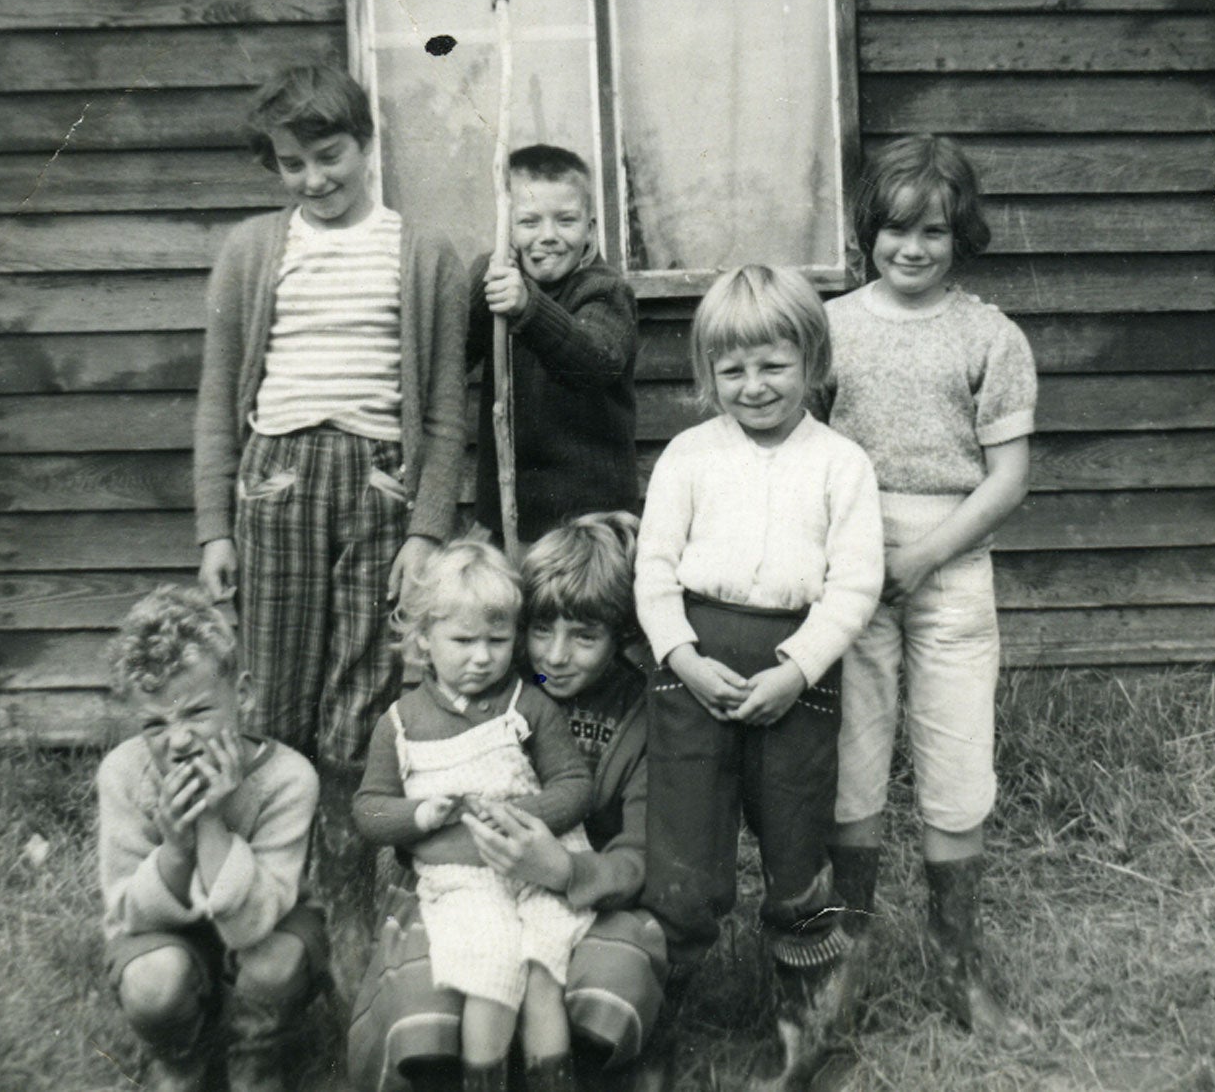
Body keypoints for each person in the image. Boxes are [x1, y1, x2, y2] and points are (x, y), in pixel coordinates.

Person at [634, 264, 883, 1088]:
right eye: (731, 370)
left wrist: (798, 667)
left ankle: (807, 1035)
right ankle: (651, 1031)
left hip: (795, 679)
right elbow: (655, 571)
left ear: (811, 361)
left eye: (773, 365)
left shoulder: (840, 463)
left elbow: (854, 585)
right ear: (709, 374)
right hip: (693, 673)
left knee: (796, 855)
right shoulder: (688, 456)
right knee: (683, 866)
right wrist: (681, 658)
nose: (753, 386)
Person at [192, 64, 470, 777]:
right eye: (292, 164)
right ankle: (278, 876)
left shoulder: (424, 254)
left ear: (366, 143)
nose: (313, 179)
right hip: (275, 482)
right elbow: (218, 400)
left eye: (328, 157)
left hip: (380, 484)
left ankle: (347, 882)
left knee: (364, 692)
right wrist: (215, 529)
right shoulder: (252, 250)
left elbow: (443, 412)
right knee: (274, 694)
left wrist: (427, 530)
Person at [824, 134, 1039, 1044]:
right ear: (871, 228)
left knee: (957, 766)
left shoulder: (991, 335)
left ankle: (959, 965)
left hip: (950, 566)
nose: (912, 250)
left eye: (935, 234)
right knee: (851, 761)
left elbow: (1007, 479)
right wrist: (856, 560)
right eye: (897, 231)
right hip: (847, 567)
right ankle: (841, 966)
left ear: (962, 238)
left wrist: (923, 558)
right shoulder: (827, 326)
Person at [347, 512, 667, 1089]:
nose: (555, 656)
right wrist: (426, 822)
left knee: (600, 977)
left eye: (585, 637)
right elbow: (395, 796)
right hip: (462, 885)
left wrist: (565, 869)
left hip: (582, 889)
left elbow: (640, 851)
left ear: (621, 637)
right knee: (435, 998)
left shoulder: (641, 716)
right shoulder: (489, 676)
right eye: (540, 631)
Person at [97, 586, 327, 1092]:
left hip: (263, 929)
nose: (178, 741)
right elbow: (127, 914)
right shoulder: (124, 773)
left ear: (241, 694)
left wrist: (210, 822)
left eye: (197, 713)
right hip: (166, 938)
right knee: (153, 983)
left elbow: (251, 926)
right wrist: (176, 849)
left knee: (275, 964)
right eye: (155, 724)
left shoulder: (288, 779)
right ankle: (178, 1060)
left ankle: (255, 1061)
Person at [468, 143, 640, 551]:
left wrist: (529, 306)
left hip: (590, 525)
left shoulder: (604, 290)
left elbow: (595, 362)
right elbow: (457, 356)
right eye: (528, 222)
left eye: (566, 221)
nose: (548, 237)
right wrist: (483, 283)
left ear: (590, 228)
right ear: (506, 230)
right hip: (510, 520)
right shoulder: (500, 280)